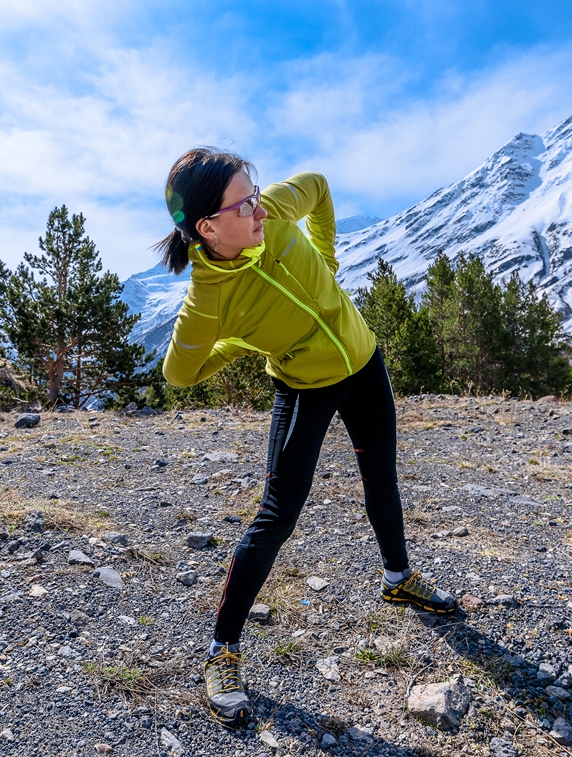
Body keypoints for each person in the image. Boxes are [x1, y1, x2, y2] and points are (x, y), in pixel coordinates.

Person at [156, 147, 458, 727]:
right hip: (304, 388)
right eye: (244, 203)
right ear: (208, 227)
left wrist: (326, 255)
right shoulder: (209, 298)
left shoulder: (274, 210)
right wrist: (244, 342)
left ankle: (399, 580)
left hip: (364, 363)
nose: (260, 208)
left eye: (256, 192)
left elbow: (317, 184)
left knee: (381, 479)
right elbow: (179, 373)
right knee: (279, 512)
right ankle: (223, 650)